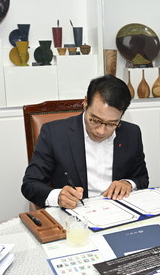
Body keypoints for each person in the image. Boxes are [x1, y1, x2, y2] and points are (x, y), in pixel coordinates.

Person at [22, 75, 149, 209]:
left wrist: (128, 184)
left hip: (119, 212)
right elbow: (30, 184)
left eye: (112, 124)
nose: (101, 131)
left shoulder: (131, 133)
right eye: (95, 120)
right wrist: (58, 196)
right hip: (76, 213)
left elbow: (141, 178)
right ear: (86, 103)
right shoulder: (54, 133)